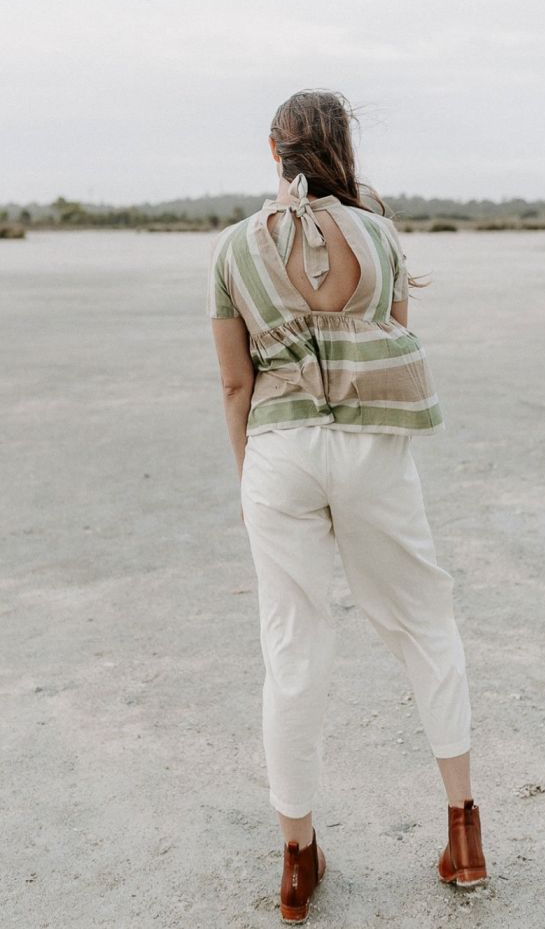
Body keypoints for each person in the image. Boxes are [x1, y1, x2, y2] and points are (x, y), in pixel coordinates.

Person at [207, 89, 488, 923]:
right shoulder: (381, 235)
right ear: (343, 148)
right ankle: (464, 834)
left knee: (293, 646)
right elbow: (391, 347)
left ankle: (297, 860)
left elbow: (235, 383)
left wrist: (248, 478)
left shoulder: (232, 248)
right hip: (371, 445)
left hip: (280, 452)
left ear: (274, 150)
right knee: (424, 621)